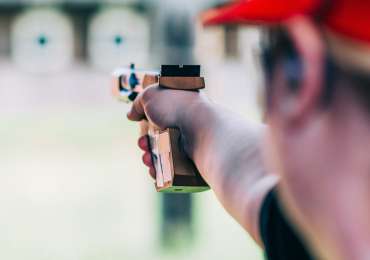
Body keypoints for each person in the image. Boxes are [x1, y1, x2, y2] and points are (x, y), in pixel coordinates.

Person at [127, 0, 370, 259]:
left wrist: (192, 116)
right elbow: (264, 194)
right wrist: (192, 114)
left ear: (300, 76)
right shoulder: (318, 234)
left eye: (266, 57)